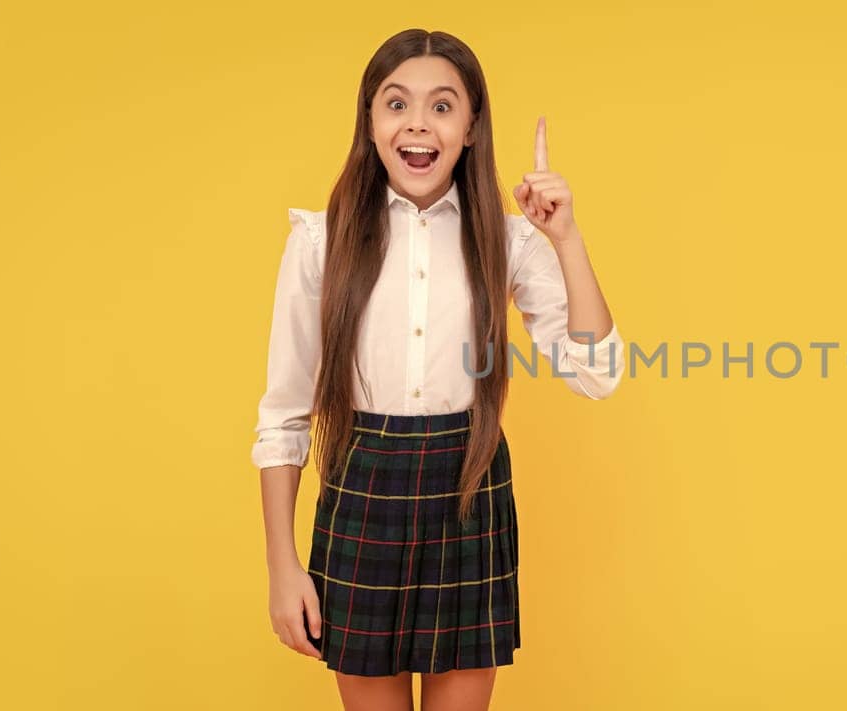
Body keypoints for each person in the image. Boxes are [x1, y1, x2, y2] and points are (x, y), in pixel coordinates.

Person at [252, 28, 623, 710]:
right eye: (396, 104)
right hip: (365, 492)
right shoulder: (320, 241)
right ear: (370, 122)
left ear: (472, 126)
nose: (418, 123)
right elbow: (283, 416)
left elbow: (597, 372)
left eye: (443, 106)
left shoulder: (508, 240)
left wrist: (564, 237)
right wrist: (282, 566)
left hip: (469, 492)